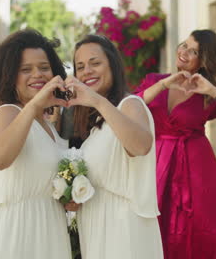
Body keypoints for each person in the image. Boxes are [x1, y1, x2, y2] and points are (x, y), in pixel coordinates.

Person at [134, 29, 216, 259]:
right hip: (155, 165)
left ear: (204, 60)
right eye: (184, 45)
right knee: (154, 228)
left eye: (194, 51)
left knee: (201, 231)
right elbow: (129, 107)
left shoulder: (207, 95)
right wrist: (164, 85)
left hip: (196, 171)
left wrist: (214, 91)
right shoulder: (155, 81)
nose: (184, 53)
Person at [0, 29, 72, 259]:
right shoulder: (8, 112)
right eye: (25, 69)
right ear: (9, 75)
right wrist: (34, 105)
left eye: (44, 67)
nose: (37, 74)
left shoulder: (48, 125)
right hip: (13, 235)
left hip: (48, 232)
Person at [64, 34, 163, 259]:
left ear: (112, 65)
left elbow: (141, 145)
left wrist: (98, 101)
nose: (87, 71)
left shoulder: (130, 104)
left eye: (95, 63)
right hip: (98, 229)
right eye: (80, 67)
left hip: (123, 230)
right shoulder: (95, 120)